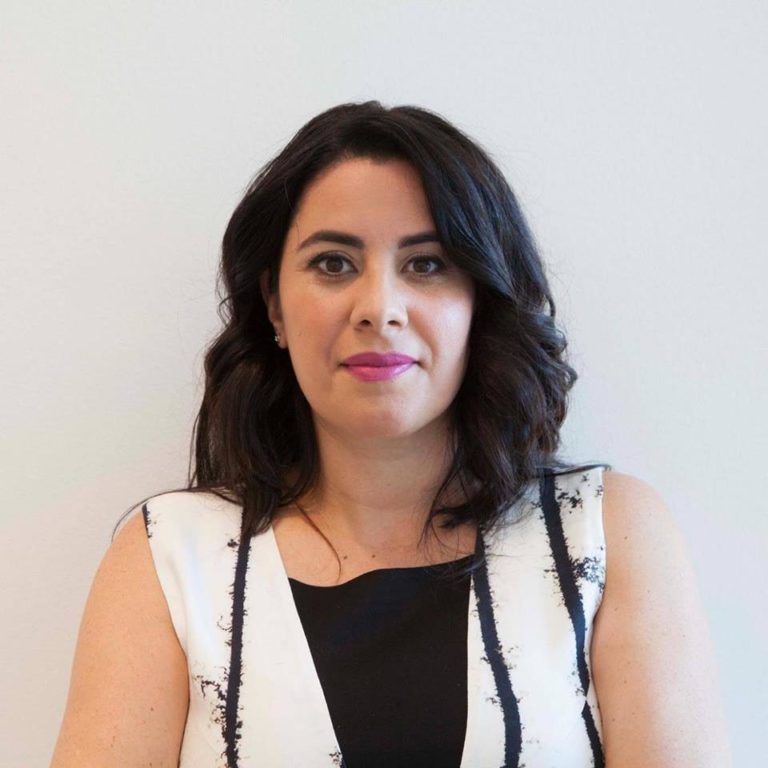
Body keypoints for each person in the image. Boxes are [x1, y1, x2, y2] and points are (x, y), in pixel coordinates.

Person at [50, 101, 732, 767]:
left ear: (480, 300)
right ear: (274, 306)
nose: (379, 309)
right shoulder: (171, 557)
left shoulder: (603, 533)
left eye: (426, 264)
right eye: (333, 264)